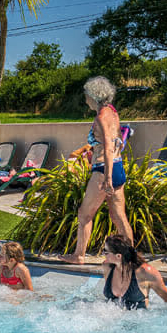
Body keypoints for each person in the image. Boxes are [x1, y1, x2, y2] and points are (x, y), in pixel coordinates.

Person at [63, 76, 134, 264]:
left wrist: (108, 178)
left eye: (87, 95)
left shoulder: (101, 117)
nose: (85, 98)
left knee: (84, 214)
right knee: (119, 216)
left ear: (94, 95)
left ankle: (78, 255)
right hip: (118, 166)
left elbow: (109, 147)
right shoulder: (113, 112)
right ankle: (130, 257)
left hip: (104, 169)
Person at [99, 235, 167, 310]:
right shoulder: (107, 267)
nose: (103, 254)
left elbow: (166, 297)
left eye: (106, 252)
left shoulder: (145, 272)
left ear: (118, 256)